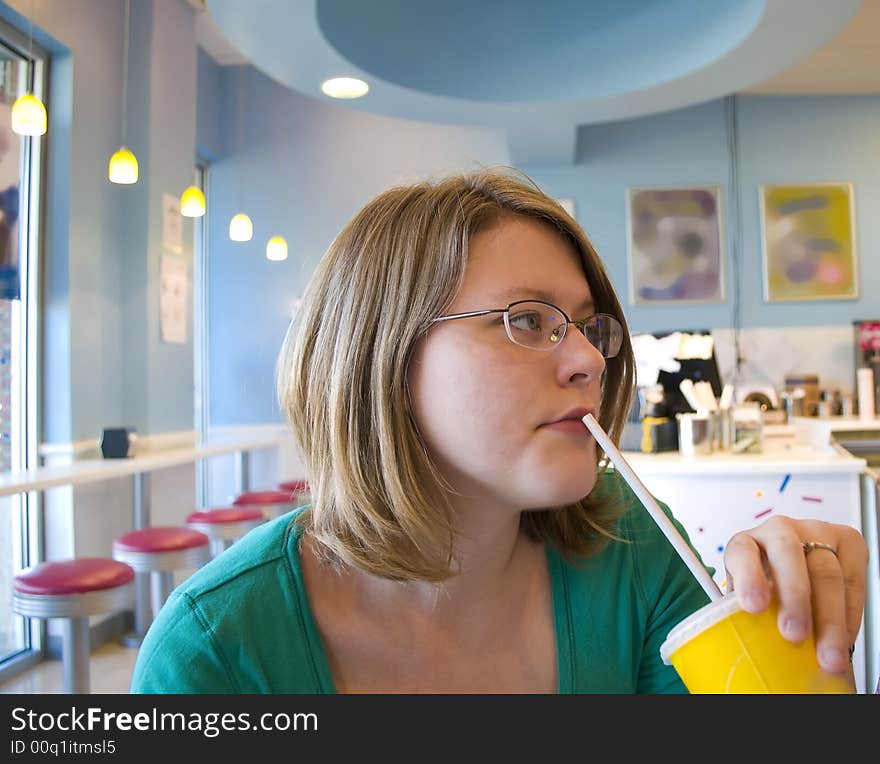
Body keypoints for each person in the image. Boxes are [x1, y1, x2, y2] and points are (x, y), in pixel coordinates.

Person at [131, 168, 868, 693]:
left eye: (588, 326)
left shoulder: (631, 551)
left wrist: (788, 644)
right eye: (529, 321)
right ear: (380, 355)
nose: (588, 359)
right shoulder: (215, 652)